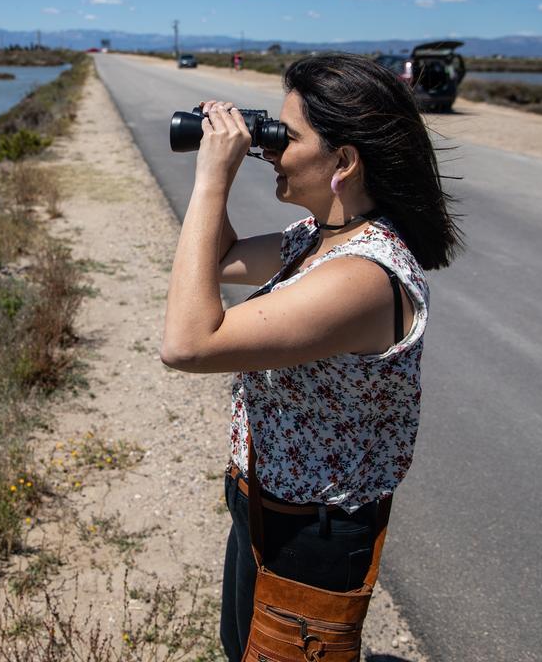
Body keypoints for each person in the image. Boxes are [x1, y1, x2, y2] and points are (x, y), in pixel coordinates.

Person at [159, 54, 462, 661]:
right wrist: (217, 161)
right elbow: (218, 259)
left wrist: (212, 180)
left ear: (344, 162)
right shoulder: (317, 239)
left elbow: (187, 344)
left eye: (284, 136)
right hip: (263, 501)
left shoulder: (363, 276)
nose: (270, 148)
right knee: (237, 646)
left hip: (314, 529)